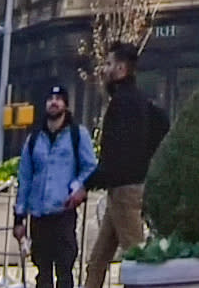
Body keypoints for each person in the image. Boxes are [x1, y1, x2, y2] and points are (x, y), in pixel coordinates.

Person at [78, 53, 160, 288]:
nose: (104, 69)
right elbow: (162, 124)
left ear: (122, 68)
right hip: (122, 188)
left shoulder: (122, 103)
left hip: (125, 190)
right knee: (98, 260)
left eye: (109, 64)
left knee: (136, 258)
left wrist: (87, 184)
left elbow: (112, 154)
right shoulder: (140, 100)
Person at [9, 100, 85, 288]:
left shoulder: (76, 135)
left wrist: (79, 187)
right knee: (42, 271)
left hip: (63, 211)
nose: (54, 102)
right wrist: (19, 218)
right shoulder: (34, 139)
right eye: (50, 98)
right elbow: (24, 179)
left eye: (59, 99)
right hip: (39, 214)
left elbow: (89, 167)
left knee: (64, 268)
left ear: (66, 106)